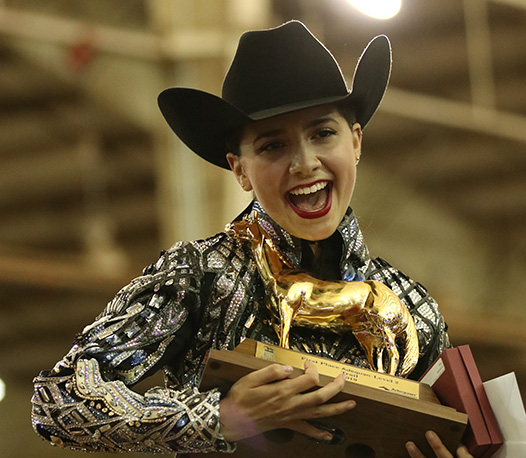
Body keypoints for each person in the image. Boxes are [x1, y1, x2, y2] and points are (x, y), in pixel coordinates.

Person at [31, 20, 472, 458]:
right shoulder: (198, 273)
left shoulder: (413, 306)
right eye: (271, 146)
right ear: (239, 169)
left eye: (323, 133)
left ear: (355, 142)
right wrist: (218, 418)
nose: (304, 163)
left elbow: (463, 429)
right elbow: (59, 396)